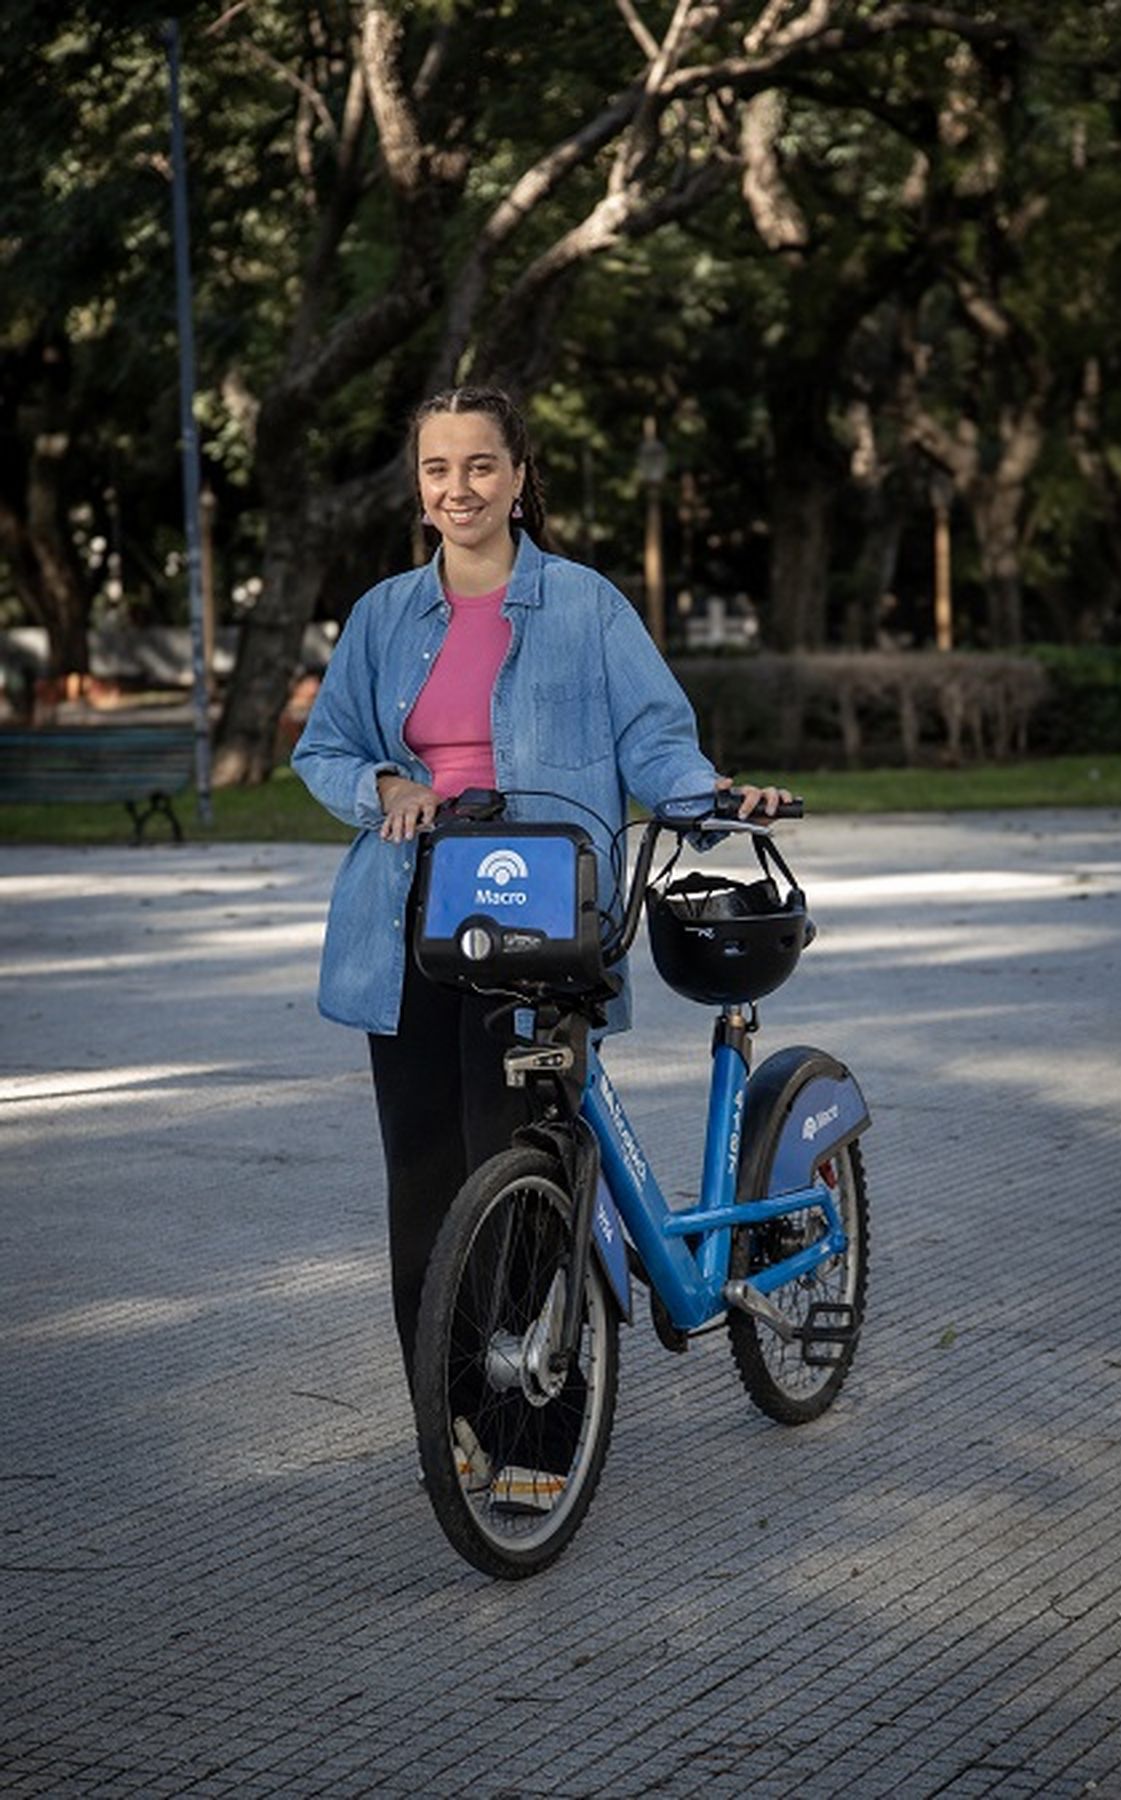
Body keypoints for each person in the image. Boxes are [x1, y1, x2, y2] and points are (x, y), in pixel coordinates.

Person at [292, 385, 789, 1475]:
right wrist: (385, 784)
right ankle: (456, 1426)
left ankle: (537, 1435)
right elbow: (322, 749)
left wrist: (711, 796)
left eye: (479, 465)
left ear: (520, 477)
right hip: (410, 927)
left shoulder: (585, 606)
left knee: (521, 1173)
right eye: (437, 469)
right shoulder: (382, 616)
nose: (457, 488)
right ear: (419, 488)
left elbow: (656, 741)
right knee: (425, 1186)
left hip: (544, 923)